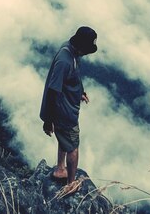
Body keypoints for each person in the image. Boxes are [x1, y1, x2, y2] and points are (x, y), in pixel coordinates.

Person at [40, 26, 98, 197]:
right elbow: (53, 90)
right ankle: (70, 184)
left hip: (66, 109)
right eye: (87, 50)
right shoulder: (64, 61)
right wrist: (48, 120)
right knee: (73, 146)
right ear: (80, 46)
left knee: (64, 139)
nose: (87, 53)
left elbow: (72, 78)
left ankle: (60, 169)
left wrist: (80, 92)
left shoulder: (72, 52)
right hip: (64, 113)